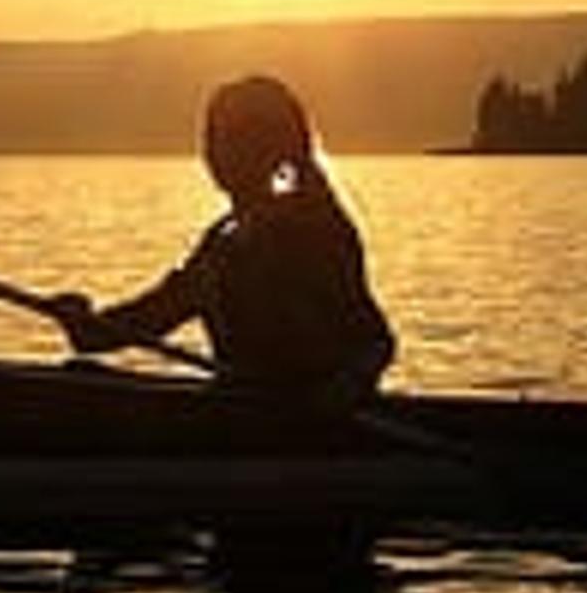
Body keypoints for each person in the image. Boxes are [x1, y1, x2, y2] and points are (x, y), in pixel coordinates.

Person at [53, 74, 398, 414]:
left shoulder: (314, 230)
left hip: (304, 426)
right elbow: (145, 318)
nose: (218, 153)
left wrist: (348, 385)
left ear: (274, 149)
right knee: (81, 377)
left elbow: (375, 342)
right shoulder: (220, 243)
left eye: (237, 139)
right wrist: (81, 323)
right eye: (213, 138)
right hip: (238, 409)